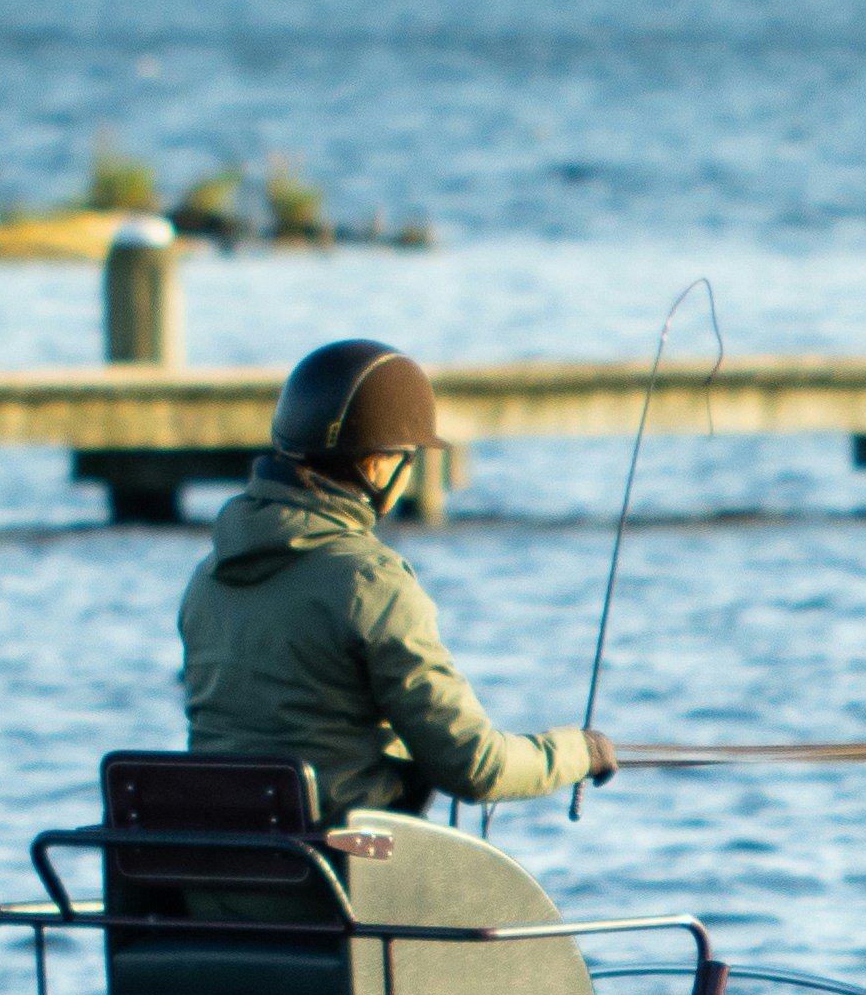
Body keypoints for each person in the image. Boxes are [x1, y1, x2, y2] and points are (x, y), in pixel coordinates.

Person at [179, 338, 617, 815]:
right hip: (340, 874)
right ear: (379, 463)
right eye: (409, 457)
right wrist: (579, 752)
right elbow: (475, 766)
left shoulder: (208, 579)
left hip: (218, 870)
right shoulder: (369, 582)